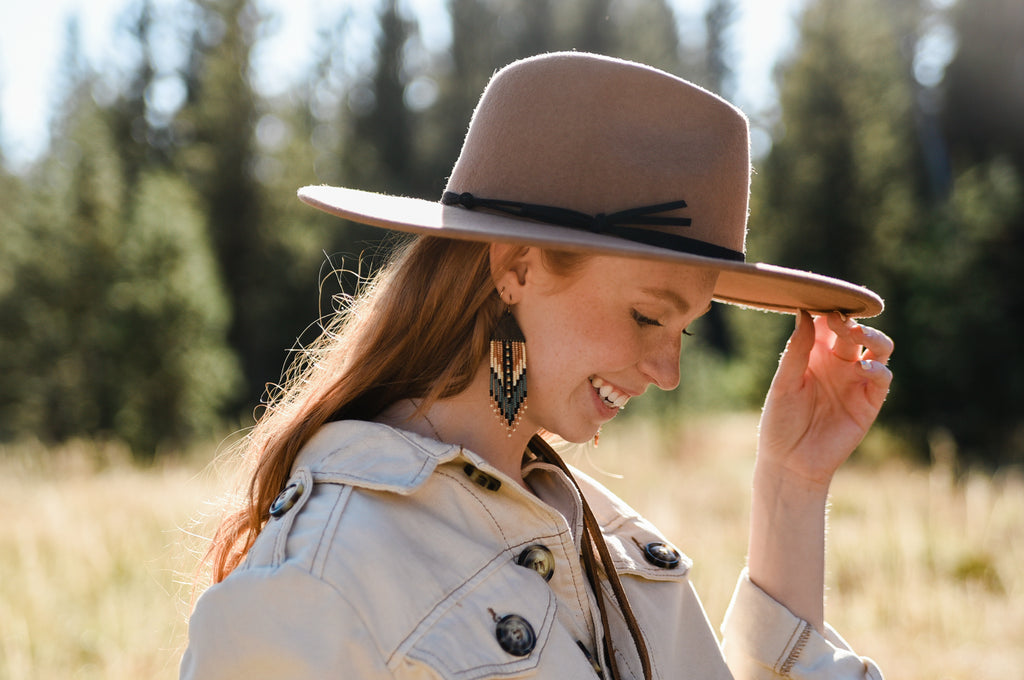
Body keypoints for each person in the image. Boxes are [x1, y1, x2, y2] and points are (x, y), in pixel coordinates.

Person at [180, 52, 893, 680]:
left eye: (685, 328)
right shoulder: (323, 580)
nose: (669, 371)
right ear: (517, 267)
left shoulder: (611, 544)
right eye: (649, 317)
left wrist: (793, 485)